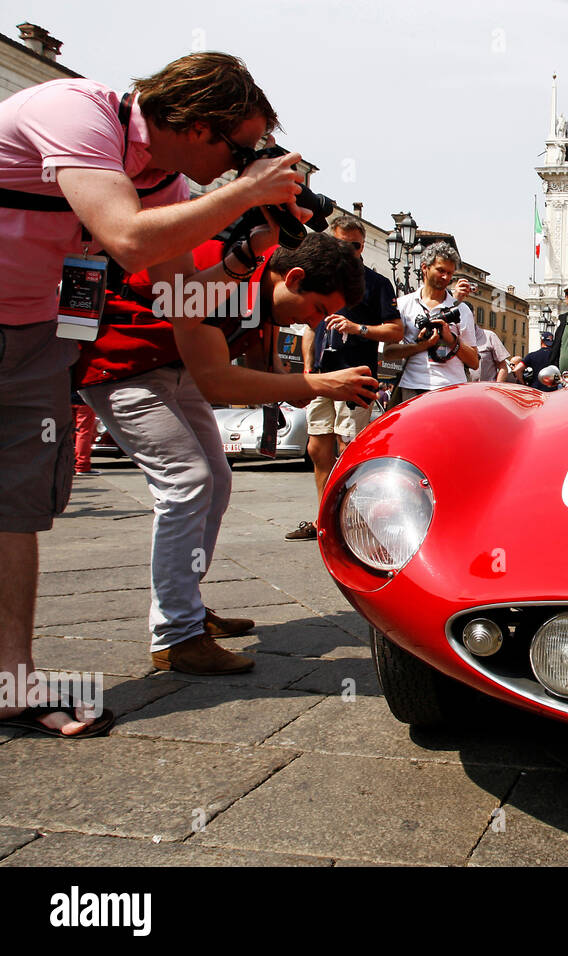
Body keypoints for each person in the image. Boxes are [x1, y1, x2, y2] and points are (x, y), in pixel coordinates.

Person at [0, 52, 312, 736]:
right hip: (35, 329)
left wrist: (242, 252)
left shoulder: (163, 183)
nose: (240, 165)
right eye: (240, 150)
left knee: (14, 508)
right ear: (201, 126)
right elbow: (124, 240)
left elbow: (179, 299)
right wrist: (243, 194)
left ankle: (11, 683)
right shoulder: (76, 111)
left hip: (30, 328)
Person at [78, 234, 370, 675]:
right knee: (187, 481)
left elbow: (250, 371)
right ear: (293, 278)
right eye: (318, 309)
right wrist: (318, 384)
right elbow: (218, 384)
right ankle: (175, 636)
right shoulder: (225, 276)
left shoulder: (263, 295)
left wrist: (288, 384)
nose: (316, 323)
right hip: (124, 369)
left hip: (176, 371)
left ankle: (186, 610)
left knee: (216, 480)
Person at [286, 216, 402, 541]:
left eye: (356, 245)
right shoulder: (320, 278)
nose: (350, 250)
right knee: (317, 449)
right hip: (322, 376)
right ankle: (323, 519)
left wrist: (357, 329)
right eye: (343, 244)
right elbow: (311, 328)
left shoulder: (376, 283)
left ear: (363, 246)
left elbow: (396, 330)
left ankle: (352, 518)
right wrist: (307, 369)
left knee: (349, 448)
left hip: (356, 377)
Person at [386, 242, 480, 404]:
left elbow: (474, 362)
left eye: (450, 273)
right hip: (412, 386)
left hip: (451, 389)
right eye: (441, 270)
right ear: (424, 267)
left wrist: (450, 339)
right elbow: (388, 352)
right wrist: (421, 346)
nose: (446, 277)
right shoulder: (403, 304)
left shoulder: (461, 310)